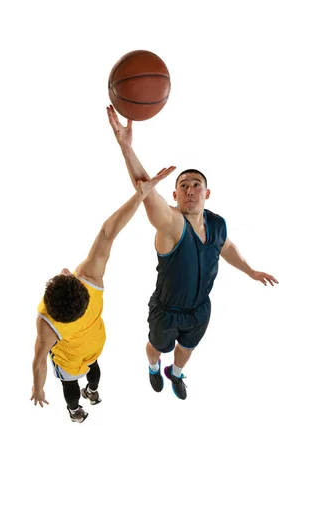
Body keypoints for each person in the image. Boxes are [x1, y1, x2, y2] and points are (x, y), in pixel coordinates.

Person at [107, 105, 279, 400]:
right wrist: (126, 149)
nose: (189, 190)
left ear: (206, 193)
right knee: (157, 347)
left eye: (196, 185)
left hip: (200, 309)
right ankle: (153, 366)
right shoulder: (171, 223)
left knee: (186, 349)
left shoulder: (217, 223)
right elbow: (146, 190)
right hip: (166, 311)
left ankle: (174, 373)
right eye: (183, 185)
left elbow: (225, 247)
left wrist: (251, 270)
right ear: (174, 195)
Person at [31, 166, 176, 422]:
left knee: (69, 385)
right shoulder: (91, 279)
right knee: (94, 371)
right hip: (96, 344)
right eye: (66, 275)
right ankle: (94, 392)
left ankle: (75, 410)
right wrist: (140, 194)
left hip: (70, 358)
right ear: (79, 286)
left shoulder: (46, 325)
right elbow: (109, 232)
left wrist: (38, 387)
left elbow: (40, 362)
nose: (66, 271)